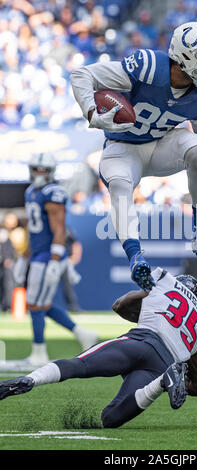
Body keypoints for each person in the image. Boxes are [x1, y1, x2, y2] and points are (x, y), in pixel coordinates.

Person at [70, 21, 197, 292]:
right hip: (122, 147)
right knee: (120, 185)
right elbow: (81, 75)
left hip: (161, 146)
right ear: (187, 57)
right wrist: (91, 113)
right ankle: (136, 258)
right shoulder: (148, 68)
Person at [0, 267, 197, 429]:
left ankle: (31, 380)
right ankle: (162, 382)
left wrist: (147, 294)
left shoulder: (165, 285)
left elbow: (119, 306)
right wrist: (177, 382)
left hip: (139, 342)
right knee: (110, 418)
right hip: (161, 364)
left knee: (80, 365)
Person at [12, 153, 99, 367]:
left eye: (42, 170)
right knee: (43, 304)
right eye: (36, 169)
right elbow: (34, 231)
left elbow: (59, 228)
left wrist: (55, 259)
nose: (38, 173)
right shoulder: (31, 191)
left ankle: (39, 352)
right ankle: (83, 334)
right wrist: (24, 258)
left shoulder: (53, 193)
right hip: (38, 253)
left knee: (34, 303)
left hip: (49, 255)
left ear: (50, 172)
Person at [61, 227, 83, 312]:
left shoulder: (67, 230)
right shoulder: (49, 227)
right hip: (52, 260)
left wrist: (75, 257)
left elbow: (76, 244)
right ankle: (40, 305)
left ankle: (73, 306)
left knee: (67, 285)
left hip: (65, 260)